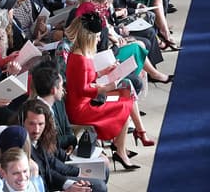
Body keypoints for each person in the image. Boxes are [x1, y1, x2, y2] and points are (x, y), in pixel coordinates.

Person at [63, 11, 152, 170]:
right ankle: (120, 150)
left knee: (126, 98)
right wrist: (107, 87)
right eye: (97, 37)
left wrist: (104, 72)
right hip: (81, 109)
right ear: (89, 37)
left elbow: (86, 79)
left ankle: (120, 147)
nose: (99, 39)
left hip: (85, 101)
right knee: (124, 105)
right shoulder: (80, 58)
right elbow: (82, 88)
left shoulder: (81, 54)